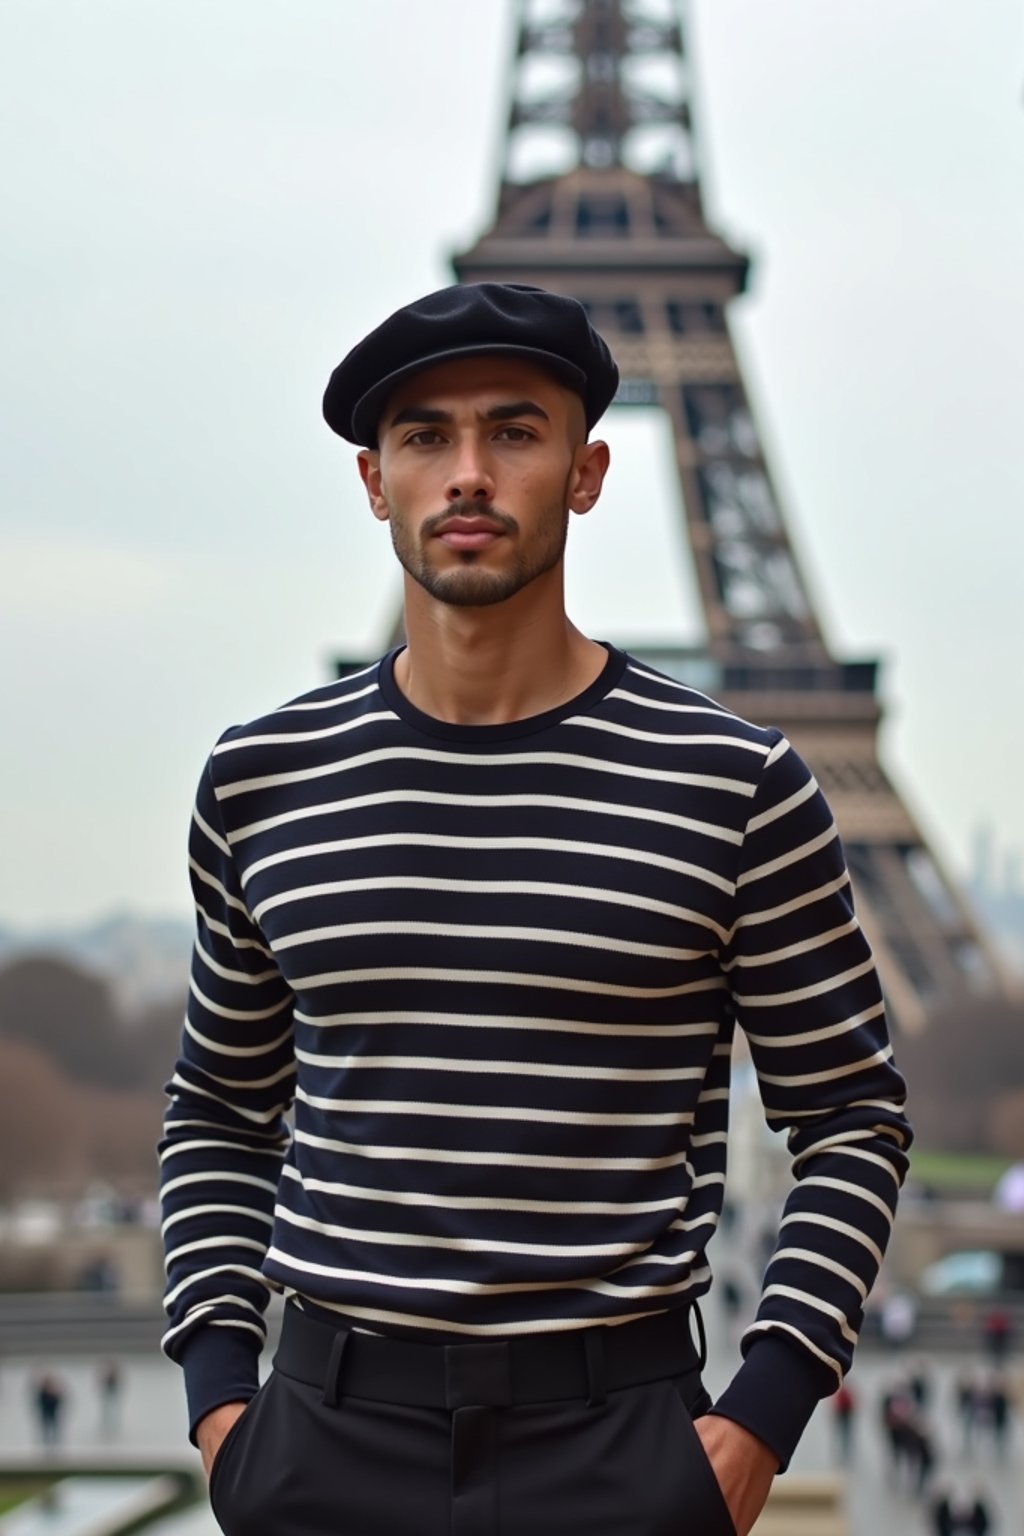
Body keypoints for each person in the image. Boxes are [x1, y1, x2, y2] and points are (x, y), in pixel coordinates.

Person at [158, 282, 913, 1536]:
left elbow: (850, 1111)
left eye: (513, 432)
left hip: (621, 1453)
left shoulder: (736, 786)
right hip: (320, 1445)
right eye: (425, 437)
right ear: (372, 479)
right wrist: (224, 1408)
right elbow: (219, 1108)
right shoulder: (260, 780)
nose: (467, 473)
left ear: (585, 471)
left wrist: (756, 1422)